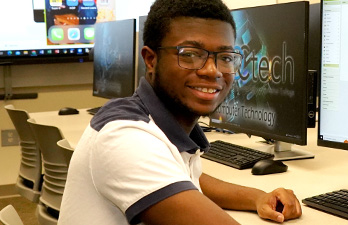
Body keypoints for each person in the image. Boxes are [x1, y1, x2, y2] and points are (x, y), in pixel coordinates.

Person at [58, 0, 301, 224]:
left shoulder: (161, 123)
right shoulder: (125, 136)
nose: (212, 70)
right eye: (191, 54)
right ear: (151, 60)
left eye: (225, 57)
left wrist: (258, 198)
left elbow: (186, 179)